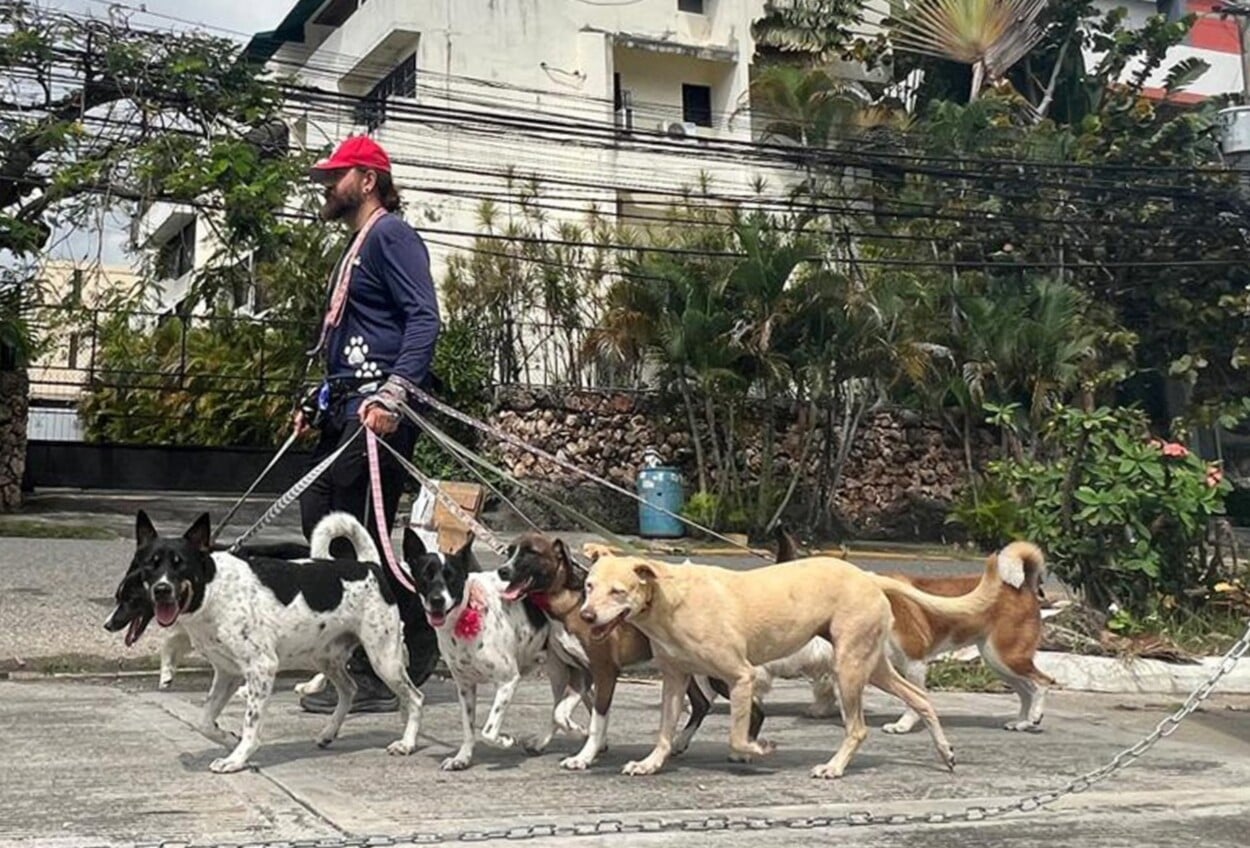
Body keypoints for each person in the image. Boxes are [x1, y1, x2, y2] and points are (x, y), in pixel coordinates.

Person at [294, 135, 441, 714]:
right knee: (325, 523)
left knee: (362, 536)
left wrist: (394, 392)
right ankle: (361, 652)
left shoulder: (392, 237)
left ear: (368, 180)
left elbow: (423, 319)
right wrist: (316, 400)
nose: (328, 187)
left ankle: (405, 652)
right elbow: (347, 338)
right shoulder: (356, 246)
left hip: (379, 411)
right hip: (344, 406)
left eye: (337, 176)